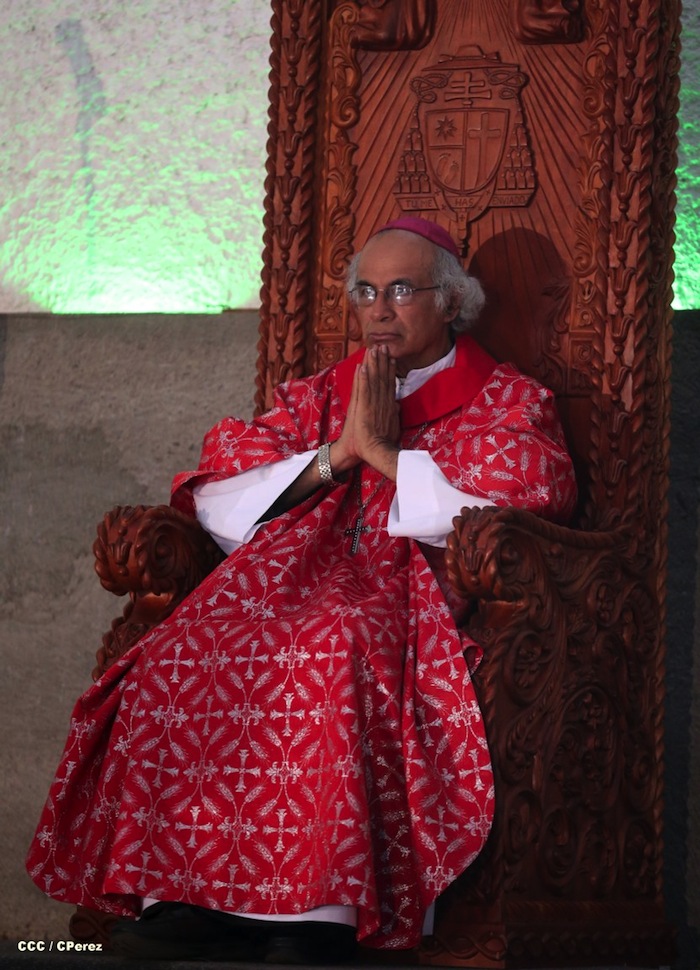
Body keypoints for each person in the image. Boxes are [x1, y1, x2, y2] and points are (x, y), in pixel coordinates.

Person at [26, 217, 577, 963]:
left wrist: (385, 457)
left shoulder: (503, 399)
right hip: (287, 582)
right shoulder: (320, 396)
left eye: (402, 290)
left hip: (409, 593)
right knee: (179, 651)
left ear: (452, 302)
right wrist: (338, 454)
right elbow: (220, 495)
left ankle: (315, 914)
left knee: (330, 644)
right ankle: (182, 896)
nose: (380, 310)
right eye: (366, 292)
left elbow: (533, 492)